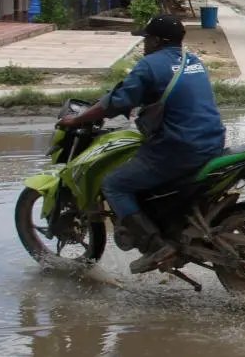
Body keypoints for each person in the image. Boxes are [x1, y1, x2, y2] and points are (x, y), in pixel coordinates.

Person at [57, 15, 226, 274]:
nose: (144, 43)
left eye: (146, 38)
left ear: (157, 40)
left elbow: (115, 102)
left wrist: (78, 118)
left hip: (178, 149)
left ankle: (157, 246)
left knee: (114, 184)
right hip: (212, 141)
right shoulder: (193, 61)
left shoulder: (149, 66)